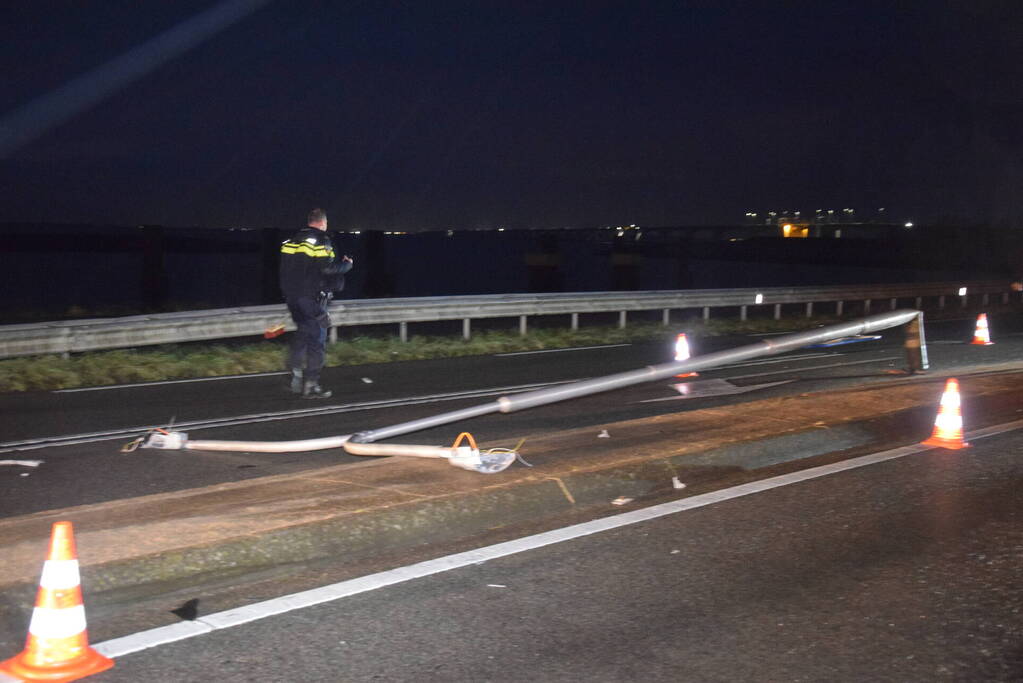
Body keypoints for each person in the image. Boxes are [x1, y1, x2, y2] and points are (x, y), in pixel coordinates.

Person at [279, 208, 353, 398]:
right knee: (317, 340)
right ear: (322, 223)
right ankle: (311, 384)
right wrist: (346, 265)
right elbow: (327, 269)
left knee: (302, 335)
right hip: (311, 299)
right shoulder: (321, 240)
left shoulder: (292, 241)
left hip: (292, 299)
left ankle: (293, 379)